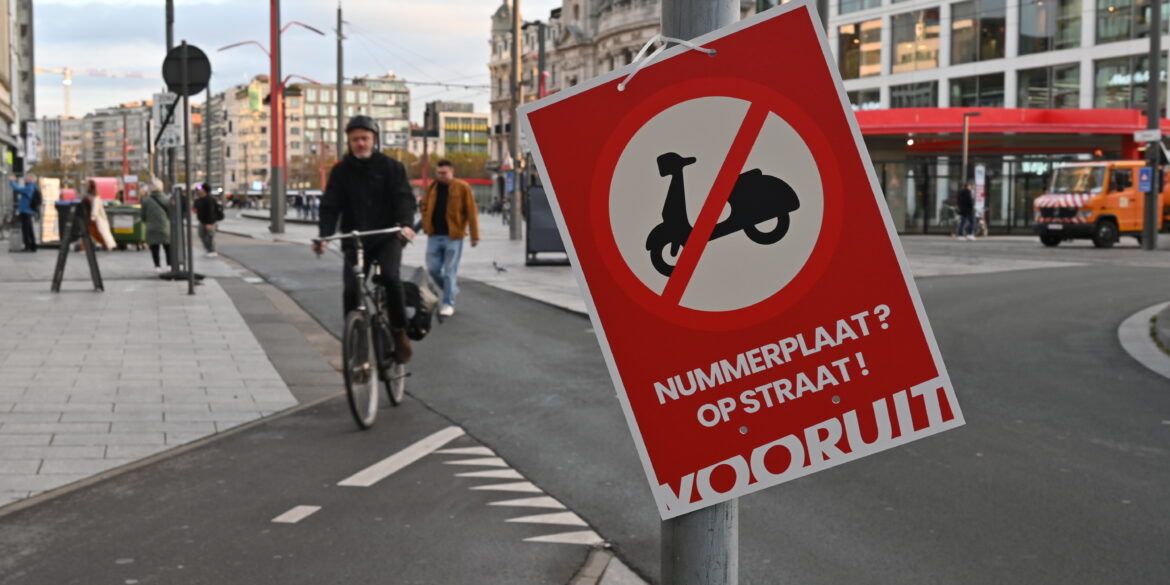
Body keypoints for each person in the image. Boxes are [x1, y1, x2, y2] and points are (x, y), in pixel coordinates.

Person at [312, 115, 417, 363]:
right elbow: (330, 206)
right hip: (355, 239)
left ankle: (399, 331)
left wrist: (405, 225)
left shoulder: (392, 168)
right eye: (355, 139)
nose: (361, 143)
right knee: (351, 289)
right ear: (349, 142)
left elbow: (404, 199)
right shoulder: (341, 171)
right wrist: (324, 236)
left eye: (365, 138)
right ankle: (356, 344)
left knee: (391, 277)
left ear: (374, 140)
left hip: (387, 236)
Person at [421, 159, 480, 317]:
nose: (441, 176)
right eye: (438, 173)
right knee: (433, 269)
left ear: (452, 172)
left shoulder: (462, 187)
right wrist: (425, 223)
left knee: (449, 271)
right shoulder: (432, 187)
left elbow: (471, 211)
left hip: (454, 236)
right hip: (434, 235)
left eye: (444, 173)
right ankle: (451, 289)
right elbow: (425, 206)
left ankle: (448, 303)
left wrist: (475, 235)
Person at [140, 177, 173, 273]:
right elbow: (171, 214)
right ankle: (169, 265)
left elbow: (143, 216)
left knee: (154, 248)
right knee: (167, 247)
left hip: (151, 228)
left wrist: (147, 221)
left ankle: (157, 266)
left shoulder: (146, 200)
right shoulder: (166, 199)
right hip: (165, 227)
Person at [9, 174, 40, 252]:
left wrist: (12, 181)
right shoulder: (32, 186)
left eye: (27, 178)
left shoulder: (30, 187)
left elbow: (17, 189)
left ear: (31, 179)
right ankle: (32, 246)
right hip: (27, 211)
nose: (25, 179)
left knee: (26, 230)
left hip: (26, 211)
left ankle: (28, 246)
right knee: (29, 229)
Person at [193, 183, 220, 258]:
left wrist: (210, 223)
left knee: (209, 236)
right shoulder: (199, 199)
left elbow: (211, 212)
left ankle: (212, 250)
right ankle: (208, 249)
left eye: (201, 189)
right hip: (202, 221)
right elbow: (195, 209)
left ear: (204, 190)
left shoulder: (210, 199)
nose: (199, 190)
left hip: (210, 222)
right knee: (201, 234)